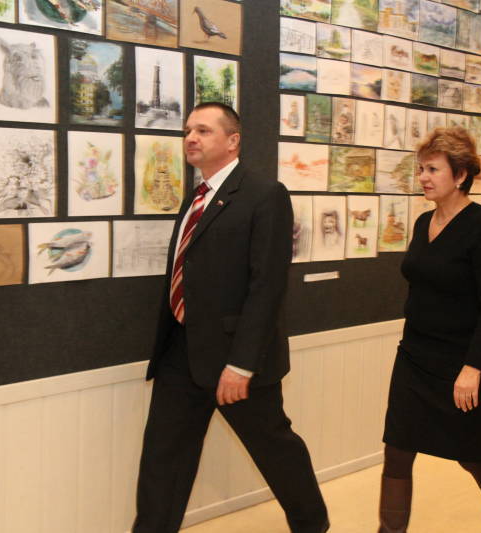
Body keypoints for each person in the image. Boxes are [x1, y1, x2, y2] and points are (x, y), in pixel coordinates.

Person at [133, 102, 329, 533]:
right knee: (162, 461)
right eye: (188, 130)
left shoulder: (265, 194)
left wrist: (241, 364)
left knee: (275, 451)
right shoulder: (196, 197)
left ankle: (312, 523)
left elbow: (267, 287)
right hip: (180, 352)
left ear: (233, 140)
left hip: (236, 359)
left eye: (203, 130)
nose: (191, 138)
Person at [379, 127, 481, 533]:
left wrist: (473, 367)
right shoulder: (423, 222)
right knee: (397, 451)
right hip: (414, 358)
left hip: (464, 362)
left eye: (433, 169)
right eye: (421, 169)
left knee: (472, 455)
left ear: (460, 175)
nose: (423, 177)